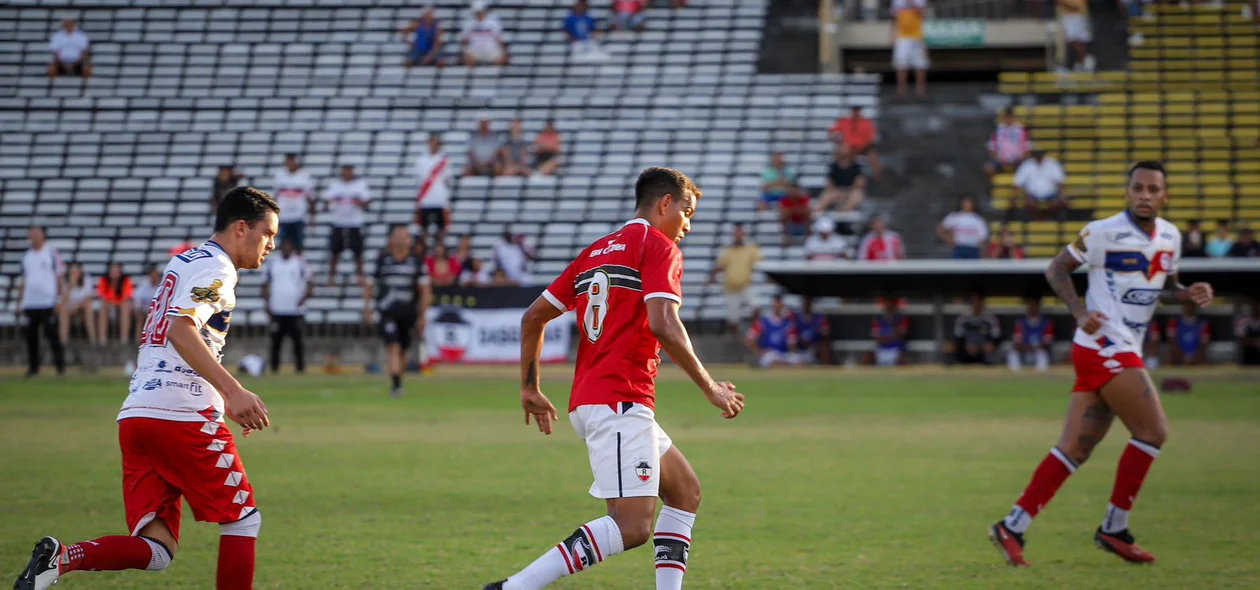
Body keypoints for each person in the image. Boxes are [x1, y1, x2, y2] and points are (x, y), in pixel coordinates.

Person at [483, 167, 743, 590]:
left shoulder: (597, 251)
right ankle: (513, 588)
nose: (688, 225)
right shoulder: (657, 247)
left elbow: (533, 316)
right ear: (665, 204)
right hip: (620, 400)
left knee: (685, 492)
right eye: (687, 212)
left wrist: (529, 386)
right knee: (633, 526)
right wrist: (709, 386)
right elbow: (664, 323)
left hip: (597, 399)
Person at [13, 187, 276, 590]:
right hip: (182, 414)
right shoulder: (219, 269)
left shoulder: (184, 261)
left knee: (156, 549)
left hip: (138, 413)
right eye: (267, 233)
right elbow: (181, 328)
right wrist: (232, 391)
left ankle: (63, 559)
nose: (271, 245)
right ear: (242, 228)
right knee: (243, 519)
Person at [989, 161, 1214, 567]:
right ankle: (1114, 528)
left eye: (1153, 189)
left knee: (1075, 448)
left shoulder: (1170, 236)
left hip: (1124, 345)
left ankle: (1012, 525)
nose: (1145, 195)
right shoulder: (1102, 232)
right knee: (1154, 431)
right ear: (1127, 192)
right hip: (1103, 344)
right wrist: (1077, 310)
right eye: (1138, 188)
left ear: (1165, 195)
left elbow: (1162, 287)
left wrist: (1187, 293)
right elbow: (1056, 268)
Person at [363, 225, 432, 398]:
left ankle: (398, 381)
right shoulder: (382, 260)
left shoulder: (416, 262)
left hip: (408, 312)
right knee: (393, 347)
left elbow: (425, 290)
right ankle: (396, 385)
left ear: (409, 240)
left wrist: (423, 314)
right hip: (387, 312)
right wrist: (367, 307)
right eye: (398, 236)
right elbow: (370, 285)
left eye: (405, 236)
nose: (401, 239)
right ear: (391, 240)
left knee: (402, 350)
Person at [18, 225, 67, 377]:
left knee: (52, 335)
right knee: (31, 337)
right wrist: (20, 301)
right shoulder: (27, 256)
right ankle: (33, 368)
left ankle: (60, 367)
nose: (33, 235)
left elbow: (59, 277)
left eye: (36, 233)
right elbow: (23, 280)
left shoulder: (51, 253)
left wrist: (59, 299)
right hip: (31, 302)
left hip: (47, 302)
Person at [262, 239, 312, 374]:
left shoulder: (299, 262)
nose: (286, 250)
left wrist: (304, 298)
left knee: (298, 342)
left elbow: (310, 281)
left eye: (289, 247)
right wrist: (267, 303)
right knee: (276, 342)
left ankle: (300, 368)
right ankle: (274, 368)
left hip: (295, 310)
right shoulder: (273, 263)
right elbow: (265, 284)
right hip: (277, 309)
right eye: (284, 247)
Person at [707, 223, 761, 335]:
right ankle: (736, 338)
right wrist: (711, 278)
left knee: (756, 306)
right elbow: (720, 266)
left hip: (746, 285)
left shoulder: (750, 249)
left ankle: (755, 332)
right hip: (731, 288)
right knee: (733, 319)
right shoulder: (727, 250)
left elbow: (760, 263)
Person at [323, 164, 371, 285]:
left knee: (358, 252)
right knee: (335, 252)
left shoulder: (360, 185)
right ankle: (332, 278)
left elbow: (367, 203)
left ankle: (360, 278)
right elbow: (326, 201)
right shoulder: (335, 185)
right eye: (345, 170)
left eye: (349, 170)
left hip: (355, 223)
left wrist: (359, 203)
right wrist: (330, 203)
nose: (347, 173)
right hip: (338, 222)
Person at [413, 133, 453, 248]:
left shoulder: (444, 160)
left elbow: (448, 179)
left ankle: (439, 250)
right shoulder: (421, 160)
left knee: (442, 228)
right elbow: (418, 179)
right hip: (426, 199)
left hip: (440, 199)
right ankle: (424, 252)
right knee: (423, 228)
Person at [273, 154, 315, 253]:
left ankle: (298, 266)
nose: (290, 164)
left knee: (298, 245)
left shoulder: (304, 176)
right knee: (283, 244)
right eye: (289, 161)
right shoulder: (280, 176)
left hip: (299, 216)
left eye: (292, 161)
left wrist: (312, 219)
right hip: (283, 217)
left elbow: (310, 198)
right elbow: (275, 197)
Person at [1012, 150, 1068, 220]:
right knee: (1029, 203)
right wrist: (1014, 196)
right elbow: (1017, 183)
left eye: (1040, 154)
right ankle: (1039, 219)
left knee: (1057, 203)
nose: (1039, 156)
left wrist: (1062, 196)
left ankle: (1044, 218)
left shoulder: (1053, 164)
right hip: (1032, 194)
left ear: (1044, 154)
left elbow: (1060, 181)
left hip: (1051, 194)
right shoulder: (1026, 165)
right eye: (1037, 154)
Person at [828, 106, 881, 180]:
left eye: (857, 111)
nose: (855, 113)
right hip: (848, 147)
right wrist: (835, 139)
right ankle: (836, 176)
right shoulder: (844, 121)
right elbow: (832, 130)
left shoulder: (866, 122)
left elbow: (871, 137)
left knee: (873, 156)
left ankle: (877, 177)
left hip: (863, 147)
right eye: (854, 111)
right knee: (840, 153)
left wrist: (864, 145)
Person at [746, 295, 799, 368]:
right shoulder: (763, 322)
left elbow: (792, 344)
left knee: (797, 360)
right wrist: (760, 352)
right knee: (772, 359)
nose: (778, 307)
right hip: (769, 354)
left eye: (780, 304)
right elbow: (749, 340)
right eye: (776, 304)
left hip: (784, 354)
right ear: (772, 305)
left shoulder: (788, 323)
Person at [890, 0, 928, 99]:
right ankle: (901, 90)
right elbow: (894, 17)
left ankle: (920, 90)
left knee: (920, 64)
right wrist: (892, 33)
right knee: (901, 65)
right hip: (902, 36)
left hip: (916, 35)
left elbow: (922, 13)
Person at [950, 295, 1000, 365]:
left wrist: (990, 344)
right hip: (967, 349)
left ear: (982, 302)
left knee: (991, 351)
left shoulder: (990, 317)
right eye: (974, 301)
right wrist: (966, 346)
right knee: (952, 348)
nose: (976, 304)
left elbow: (996, 336)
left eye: (979, 301)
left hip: (984, 349)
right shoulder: (963, 317)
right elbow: (958, 336)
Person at [1008, 297, 1054, 372]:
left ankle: (1041, 376)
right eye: (1030, 305)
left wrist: (1037, 347)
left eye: (1035, 305)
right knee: (1013, 353)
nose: (1032, 308)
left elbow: (1047, 344)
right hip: (1024, 352)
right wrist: (1028, 347)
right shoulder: (1020, 323)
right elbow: (1017, 343)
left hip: (1039, 352)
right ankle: (1015, 375)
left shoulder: (1046, 323)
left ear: (1039, 307)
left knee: (1042, 354)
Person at [817, 145, 867, 212]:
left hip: (851, 191)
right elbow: (829, 182)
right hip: (836, 191)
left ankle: (845, 209)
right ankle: (819, 210)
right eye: (843, 154)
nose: (845, 156)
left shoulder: (856, 167)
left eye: (847, 154)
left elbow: (860, 182)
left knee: (857, 195)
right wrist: (837, 192)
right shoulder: (834, 166)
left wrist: (848, 191)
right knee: (826, 195)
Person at [60, 262, 98, 348]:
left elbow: (88, 297)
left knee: (88, 308)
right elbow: (63, 300)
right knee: (63, 310)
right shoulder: (66, 282)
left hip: (82, 306)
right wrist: (70, 286)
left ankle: (93, 340)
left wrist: (78, 305)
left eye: (76, 272)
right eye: (72, 272)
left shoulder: (86, 279)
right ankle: (63, 341)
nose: (74, 274)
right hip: (70, 308)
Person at [96, 262, 135, 345]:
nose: (114, 273)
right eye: (113, 270)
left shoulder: (126, 280)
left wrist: (117, 303)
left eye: (116, 270)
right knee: (103, 307)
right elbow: (101, 295)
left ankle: (124, 337)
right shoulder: (104, 280)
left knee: (125, 307)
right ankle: (102, 338)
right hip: (108, 304)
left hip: (121, 304)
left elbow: (127, 296)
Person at [985, 107, 1030, 179]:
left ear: (1014, 118)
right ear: (1004, 118)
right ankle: (994, 186)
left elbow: (1027, 148)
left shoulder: (1021, 130)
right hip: (1000, 159)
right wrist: (997, 158)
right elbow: (991, 147)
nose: (1009, 120)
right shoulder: (997, 130)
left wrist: (1022, 157)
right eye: (1007, 117)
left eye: (1011, 117)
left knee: (1029, 166)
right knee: (989, 167)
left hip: (1018, 159)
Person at [460, 1, 509, 67]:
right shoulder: (469, 23)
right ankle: (470, 75)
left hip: (491, 49)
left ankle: (497, 75)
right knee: (467, 58)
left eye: (480, 11)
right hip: (475, 49)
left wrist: (504, 52)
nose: (478, 14)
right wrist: (463, 52)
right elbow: (464, 40)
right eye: (477, 12)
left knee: (501, 59)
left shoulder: (493, 22)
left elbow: (499, 38)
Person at [1165, 302, 1210, 366]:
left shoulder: (1203, 324)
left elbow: (1204, 344)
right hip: (1179, 353)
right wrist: (1182, 356)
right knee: (1169, 355)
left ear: (1194, 307)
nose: (1188, 308)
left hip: (1196, 354)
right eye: (1186, 306)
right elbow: (1172, 342)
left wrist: (1194, 357)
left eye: (1190, 306)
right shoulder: (1174, 322)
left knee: (1203, 358)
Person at [48, 19, 92, 83]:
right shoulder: (57, 36)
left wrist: (78, 61)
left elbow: (85, 51)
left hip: (78, 62)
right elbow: (55, 51)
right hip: (61, 61)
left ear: (73, 24)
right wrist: (62, 61)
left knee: (87, 67)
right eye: (67, 23)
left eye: (70, 23)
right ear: (63, 24)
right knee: (51, 68)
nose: (68, 25)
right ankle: (51, 85)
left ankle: (86, 86)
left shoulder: (81, 36)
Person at [869, 297, 909, 366]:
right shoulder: (877, 319)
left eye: (891, 304)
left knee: (902, 358)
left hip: (896, 349)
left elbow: (901, 335)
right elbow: (877, 338)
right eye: (887, 304)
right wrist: (891, 336)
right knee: (868, 355)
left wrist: (892, 324)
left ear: (895, 305)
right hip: (881, 349)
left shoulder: (901, 318)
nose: (889, 306)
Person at [1059, 0, 1095, 71]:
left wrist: (1075, 5)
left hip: (1081, 16)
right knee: (1072, 40)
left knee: (1082, 40)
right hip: (1068, 17)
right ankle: (1083, 60)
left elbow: (1082, 4)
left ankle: (1081, 62)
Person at [794, 298, 832, 365]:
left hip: (814, 348)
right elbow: (792, 335)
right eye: (805, 303)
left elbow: (825, 334)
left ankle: (827, 368)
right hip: (799, 349)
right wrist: (800, 340)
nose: (806, 305)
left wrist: (814, 343)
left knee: (824, 347)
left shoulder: (819, 318)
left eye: (808, 303)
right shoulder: (795, 318)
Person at [131, 265, 163, 345]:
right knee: (140, 316)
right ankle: (138, 341)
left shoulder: (163, 284)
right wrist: (138, 309)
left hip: (159, 311)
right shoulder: (144, 284)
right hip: (145, 310)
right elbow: (137, 298)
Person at [1236, 298, 1260, 366]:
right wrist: (1255, 342)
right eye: (1255, 306)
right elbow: (1241, 339)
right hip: (1249, 354)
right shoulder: (1244, 321)